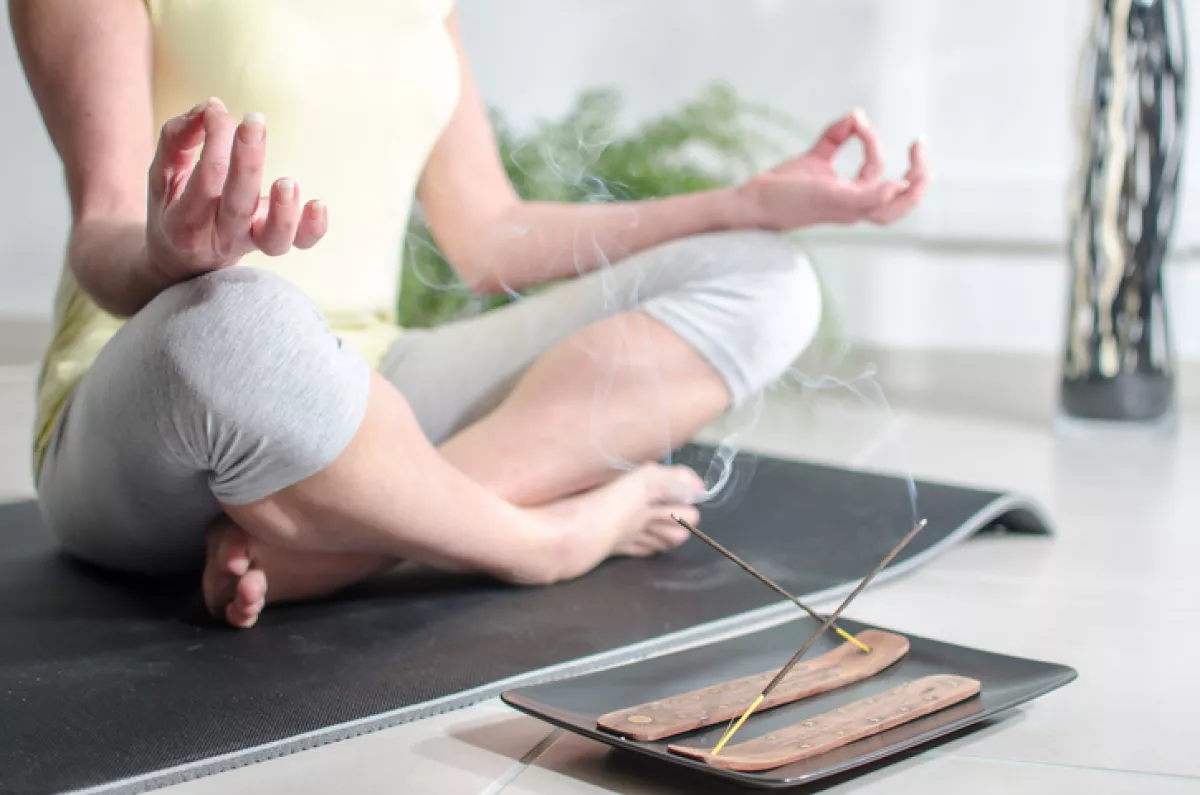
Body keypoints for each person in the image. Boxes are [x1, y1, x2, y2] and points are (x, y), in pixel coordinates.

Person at [9, 0, 928, 628]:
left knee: (768, 279)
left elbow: (491, 237)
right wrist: (173, 257)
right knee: (235, 317)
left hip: (370, 391)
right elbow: (103, 231)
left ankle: (350, 550)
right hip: (164, 407)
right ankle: (537, 542)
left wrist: (747, 203)